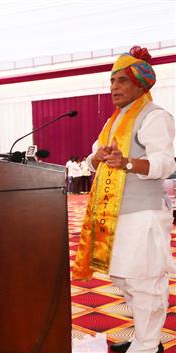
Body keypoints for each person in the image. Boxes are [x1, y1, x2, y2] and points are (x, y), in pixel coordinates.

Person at [73, 46, 173, 353]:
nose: (114, 87)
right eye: (112, 82)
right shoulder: (114, 120)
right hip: (112, 215)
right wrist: (97, 156)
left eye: (122, 81)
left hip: (142, 214)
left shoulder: (154, 116)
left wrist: (128, 162)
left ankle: (148, 346)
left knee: (145, 282)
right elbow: (92, 161)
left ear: (141, 85)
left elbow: (166, 164)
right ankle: (144, 336)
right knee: (124, 278)